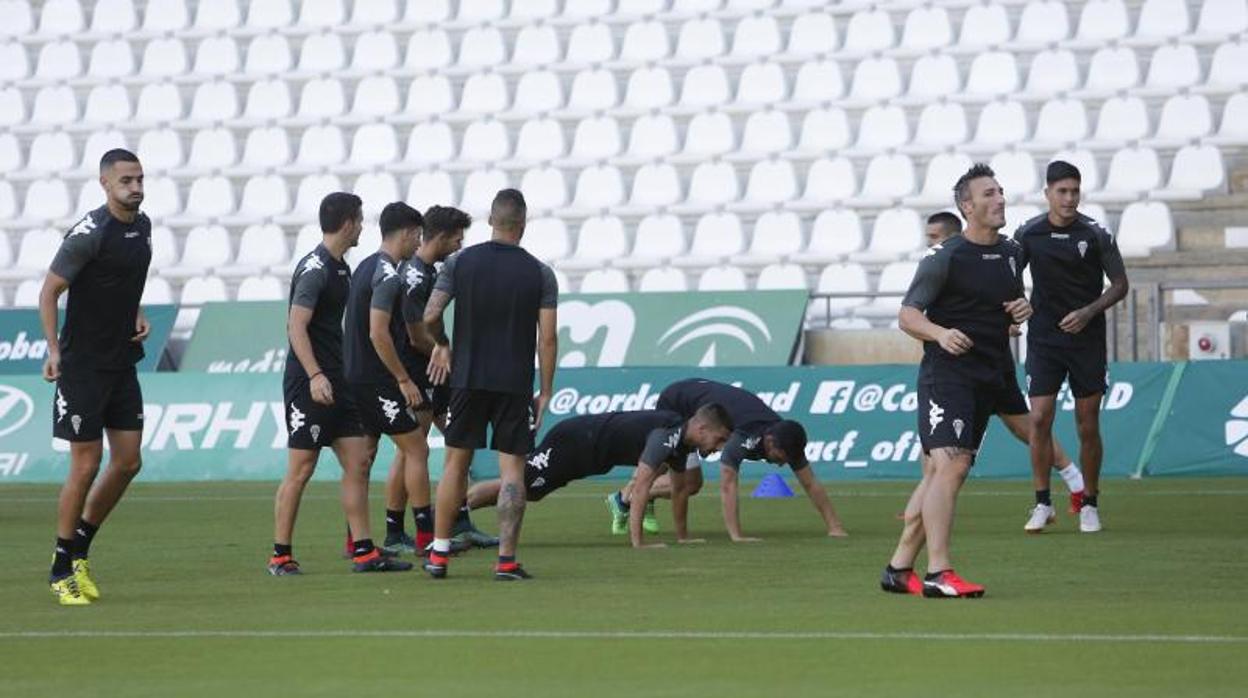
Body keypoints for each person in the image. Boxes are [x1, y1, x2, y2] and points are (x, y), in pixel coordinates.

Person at [881, 164, 1031, 599]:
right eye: (989, 194)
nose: (999, 199)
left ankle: (898, 568)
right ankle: (938, 572)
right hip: (948, 376)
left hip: (991, 373)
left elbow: (1005, 307)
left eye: (1000, 191)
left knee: (941, 472)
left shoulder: (1011, 252)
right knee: (951, 466)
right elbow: (908, 315)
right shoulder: (944, 257)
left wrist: (1022, 310)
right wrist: (940, 333)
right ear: (967, 207)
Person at [269, 192, 411, 576]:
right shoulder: (315, 269)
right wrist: (315, 375)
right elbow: (296, 326)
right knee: (301, 468)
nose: (362, 227)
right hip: (309, 383)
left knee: (359, 462)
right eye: (360, 220)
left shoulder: (341, 268)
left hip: (338, 381)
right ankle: (280, 555)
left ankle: (363, 551)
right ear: (348, 223)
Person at [422, 189, 559, 581]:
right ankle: (506, 560)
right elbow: (547, 338)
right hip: (514, 383)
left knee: (455, 463)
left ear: (490, 221)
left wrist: (443, 343)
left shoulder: (459, 262)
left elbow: (430, 314)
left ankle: (439, 554)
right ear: (523, 224)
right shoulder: (539, 272)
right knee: (512, 469)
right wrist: (546, 390)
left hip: (467, 378)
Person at [923, 211, 1087, 529]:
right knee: (944, 450)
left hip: (987, 367)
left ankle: (1073, 482)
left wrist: (1012, 317)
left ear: (952, 236)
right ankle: (922, 510)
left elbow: (1009, 308)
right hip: (959, 371)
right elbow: (915, 315)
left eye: (935, 237)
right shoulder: (937, 266)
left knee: (1026, 430)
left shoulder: (983, 258)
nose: (930, 243)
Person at [40, 149, 152, 605]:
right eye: (127, 180)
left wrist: (135, 310)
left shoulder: (143, 226)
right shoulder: (89, 234)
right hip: (83, 366)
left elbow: (124, 279)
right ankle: (60, 567)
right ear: (105, 183)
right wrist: (53, 350)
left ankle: (80, 548)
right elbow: (49, 292)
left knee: (128, 461)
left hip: (121, 361)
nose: (136, 187)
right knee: (86, 464)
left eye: (140, 179)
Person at [1015, 161, 1129, 534]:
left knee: (1087, 422)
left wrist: (1088, 312)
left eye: (1074, 191)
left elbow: (1120, 284)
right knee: (1039, 419)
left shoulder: (1096, 233)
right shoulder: (1028, 233)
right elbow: (1009, 277)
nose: (1068, 198)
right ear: (1047, 193)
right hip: (1044, 339)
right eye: (1062, 191)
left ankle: (1090, 503)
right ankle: (1042, 502)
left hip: (1087, 341)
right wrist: (1014, 309)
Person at [385, 205, 497, 553]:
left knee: (458, 443)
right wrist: (445, 352)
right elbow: (415, 335)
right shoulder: (414, 276)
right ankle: (394, 532)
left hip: (437, 373)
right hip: (419, 373)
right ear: (443, 237)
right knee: (410, 450)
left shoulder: (430, 271)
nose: (460, 245)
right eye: (457, 239)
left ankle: (459, 521)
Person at [610, 379, 847, 541]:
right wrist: (736, 535)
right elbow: (727, 482)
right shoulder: (746, 435)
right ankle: (625, 498)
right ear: (770, 442)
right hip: (679, 405)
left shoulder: (786, 437)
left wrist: (834, 527)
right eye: (780, 458)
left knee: (684, 480)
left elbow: (810, 483)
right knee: (688, 482)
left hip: (699, 400)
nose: (783, 464)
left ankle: (637, 497)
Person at [465, 407, 733, 548]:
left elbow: (680, 490)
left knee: (531, 492)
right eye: (719, 439)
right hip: (574, 442)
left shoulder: (682, 443)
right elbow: (641, 486)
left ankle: (456, 511)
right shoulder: (667, 435)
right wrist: (639, 542)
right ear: (702, 428)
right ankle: (454, 510)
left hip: (588, 454)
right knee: (520, 485)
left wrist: (683, 537)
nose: (720, 448)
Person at [341, 202, 437, 561]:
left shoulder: (364, 267)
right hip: (376, 381)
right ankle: (426, 537)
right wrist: (403, 379)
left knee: (362, 461)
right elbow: (377, 332)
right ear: (408, 233)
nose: (419, 243)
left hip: (353, 377)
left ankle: (357, 541)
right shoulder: (388, 275)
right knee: (417, 449)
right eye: (418, 236)